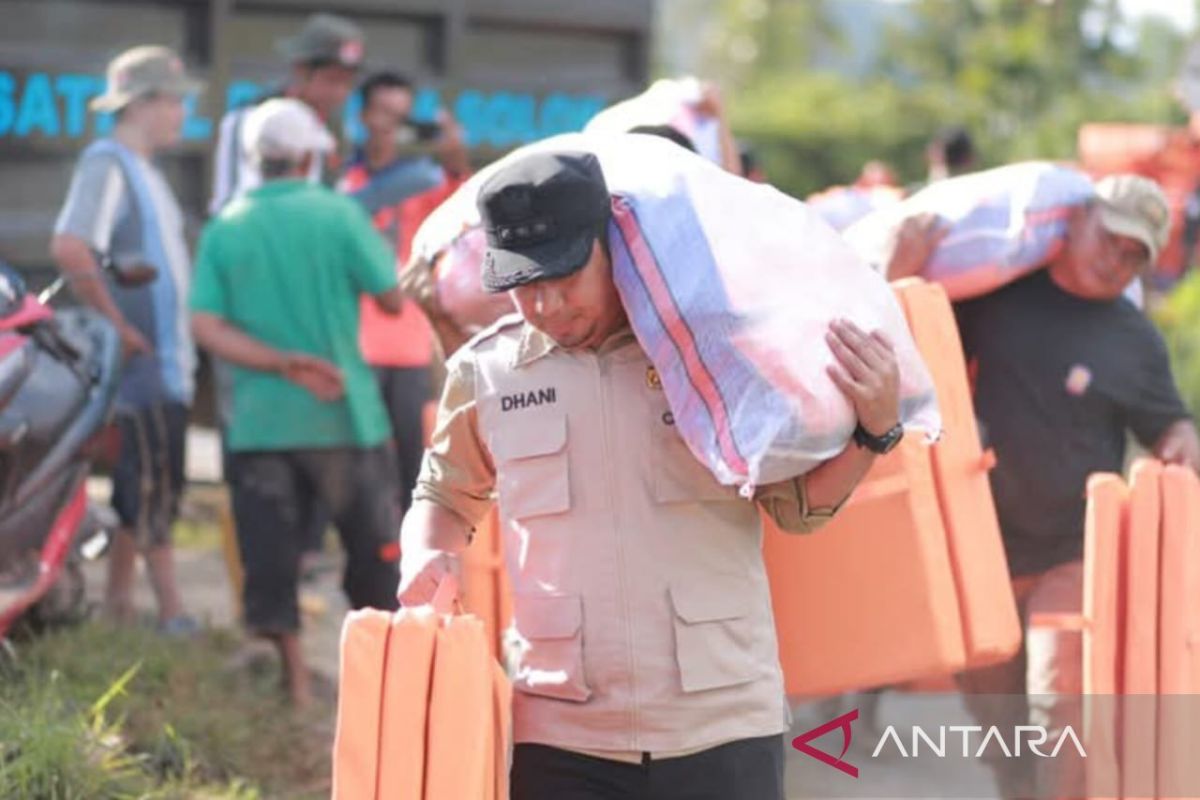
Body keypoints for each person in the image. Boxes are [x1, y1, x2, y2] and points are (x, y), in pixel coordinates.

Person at [397, 150, 906, 799]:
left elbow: (797, 509)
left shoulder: (713, 356)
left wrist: (873, 430)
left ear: (612, 246)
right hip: (559, 730)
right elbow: (443, 492)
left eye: (564, 277)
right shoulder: (488, 374)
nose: (547, 305)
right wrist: (426, 552)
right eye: (525, 286)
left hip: (720, 726)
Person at [891, 174, 1200, 798]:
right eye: (1110, 238)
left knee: (1061, 704)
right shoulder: (993, 295)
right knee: (998, 727)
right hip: (982, 552)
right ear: (1076, 221)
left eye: (1133, 253)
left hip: (1073, 551)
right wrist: (902, 267)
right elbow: (910, 352)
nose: (1116, 258)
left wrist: (1180, 438)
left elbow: (1166, 419)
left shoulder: (1132, 338)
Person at [190, 98, 404, 708]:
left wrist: (281, 363)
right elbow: (391, 299)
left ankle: (299, 687)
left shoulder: (226, 225)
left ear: (256, 159)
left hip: (260, 423)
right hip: (343, 416)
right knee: (371, 556)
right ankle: (375, 688)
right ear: (310, 156)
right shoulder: (337, 214)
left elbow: (205, 323)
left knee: (273, 557)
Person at [50, 45, 202, 634]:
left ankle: (118, 605)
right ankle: (171, 611)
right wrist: (118, 326)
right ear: (144, 103)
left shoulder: (142, 172)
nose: (180, 115)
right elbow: (71, 245)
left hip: (162, 364)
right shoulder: (107, 163)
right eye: (175, 101)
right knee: (155, 485)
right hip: (145, 368)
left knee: (143, 484)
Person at [337, 70, 470, 518]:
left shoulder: (423, 181)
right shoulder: (344, 182)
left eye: (400, 116)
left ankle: (404, 549)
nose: (389, 125)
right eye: (382, 113)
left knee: (411, 460)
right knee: (353, 454)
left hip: (410, 344)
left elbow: (464, 209)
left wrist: (454, 157)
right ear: (363, 116)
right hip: (352, 343)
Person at [210, 12, 364, 213]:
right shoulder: (247, 122)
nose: (340, 93)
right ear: (301, 71)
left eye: (348, 83)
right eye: (332, 80)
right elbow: (231, 206)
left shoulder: (333, 132)